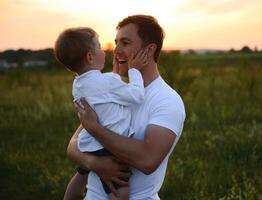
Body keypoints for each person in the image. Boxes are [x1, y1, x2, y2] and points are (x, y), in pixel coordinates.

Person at [67, 15, 186, 200]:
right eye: (116, 43)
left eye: (125, 43)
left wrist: (96, 129)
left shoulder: (167, 100)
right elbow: (74, 145)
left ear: (149, 50)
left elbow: (148, 160)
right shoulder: (111, 89)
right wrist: (93, 162)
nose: (116, 51)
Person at [54, 27, 148, 200]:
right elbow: (136, 95)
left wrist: (114, 76)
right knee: (119, 190)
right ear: (90, 57)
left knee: (81, 176)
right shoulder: (107, 81)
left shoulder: (78, 84)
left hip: (90, 143)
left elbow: (102, 97)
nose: (105, 51)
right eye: (99, 47)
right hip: (108, 145)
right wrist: (134, 70)